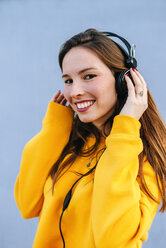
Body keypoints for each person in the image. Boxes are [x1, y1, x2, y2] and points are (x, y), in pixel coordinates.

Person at [14, 29, 166, 248]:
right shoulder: (65, 142)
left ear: (124, 80)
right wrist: (54, 129)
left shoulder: (147, 154)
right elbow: (27, 205)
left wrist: (124, 132)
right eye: (68, 80)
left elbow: (114, 241)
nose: (74, 91)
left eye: (89, 76)